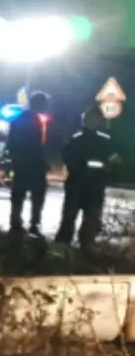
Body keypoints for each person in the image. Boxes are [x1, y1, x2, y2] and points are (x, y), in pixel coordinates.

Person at [55, 106, 116, 252]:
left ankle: (84, 247)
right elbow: (68, 157)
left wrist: (109, 166)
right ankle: (64, 247)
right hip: (80, 184)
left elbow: (113, 159)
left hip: (91, 185)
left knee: (90, 219)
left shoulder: (103, 139)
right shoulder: (78, 137)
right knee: (70, 218)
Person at [7, 91, 51, 236]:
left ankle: (16, 223)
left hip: (22, 165)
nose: (46, 106)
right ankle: (32, 225)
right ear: (39, 104)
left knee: (19, 195)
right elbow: (34, 145)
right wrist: (42, 163)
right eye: (44, 103)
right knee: (37, 195)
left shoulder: (21, 119)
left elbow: (11, 144)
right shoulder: (32, 120)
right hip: (31, 165)